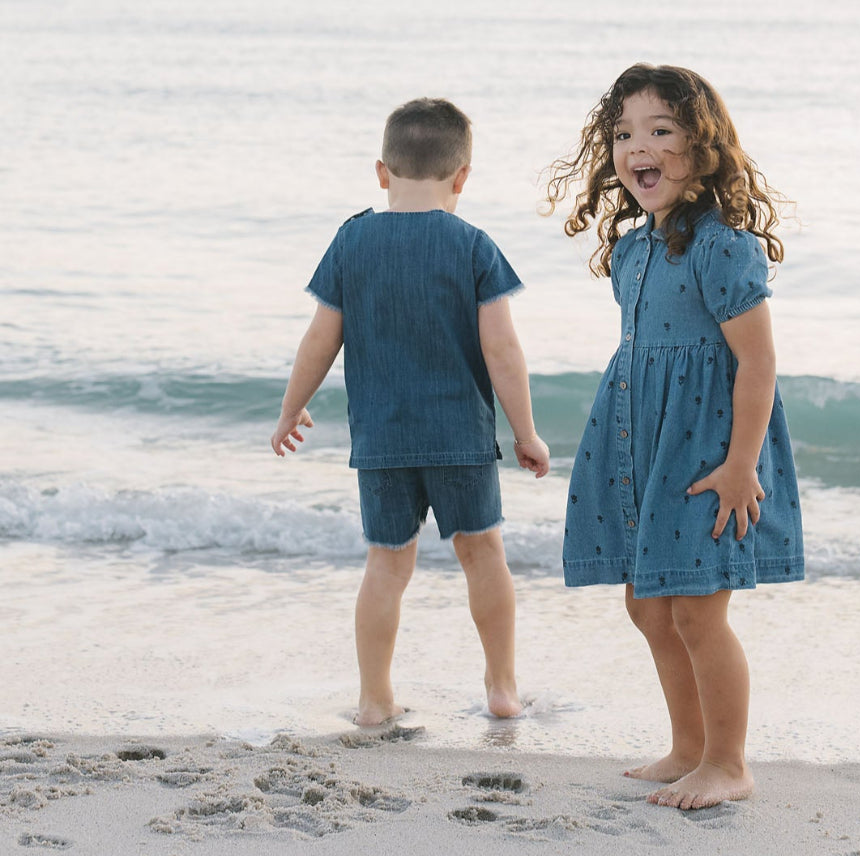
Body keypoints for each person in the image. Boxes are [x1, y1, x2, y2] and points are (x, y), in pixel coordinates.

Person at [546, 64, 803, 810]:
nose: (638, 148)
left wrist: (740, 466)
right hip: (640, 445)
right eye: (624, 134)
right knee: (647, 604)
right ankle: (688, 746)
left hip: (709, 453)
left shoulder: (723, 248)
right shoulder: (633, 250)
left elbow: (756, 361)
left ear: (703, 146)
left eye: (660, 131)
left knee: (696, 608)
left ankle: (728, 761)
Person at [271, 97, 549, 725]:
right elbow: (502, 349)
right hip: (460, 439)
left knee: (387, 565)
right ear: (462, 178)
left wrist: (292, 409)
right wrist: (526, 432)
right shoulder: (474, 246)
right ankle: (502, 690)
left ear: (381, 171)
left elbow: (321, 337)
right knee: (484, 557)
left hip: (383, 441)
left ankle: (374, 699)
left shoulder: (353, 240)